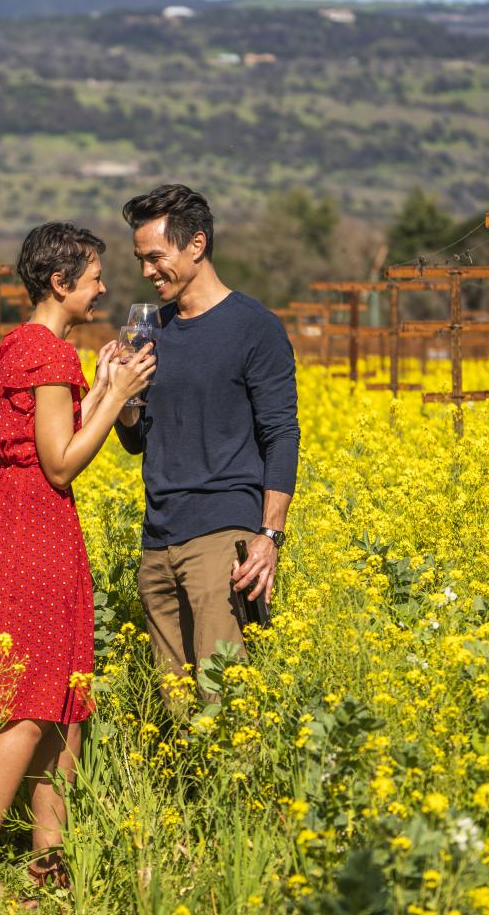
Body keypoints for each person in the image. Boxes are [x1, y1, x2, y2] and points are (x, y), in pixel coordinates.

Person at [0, 221, 154, 893]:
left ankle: (50, 871)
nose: (104, 286)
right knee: (29, 706)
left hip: (24, 522)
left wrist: (102, 389)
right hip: (34, 531)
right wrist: (122, 400)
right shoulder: (46, 354)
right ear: (60, 281)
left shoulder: (22, 344)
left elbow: (52, 439)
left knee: (63, 705)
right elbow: (63, 461)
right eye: (95, 276)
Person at [114, 184, 299, 700]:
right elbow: (136, 440)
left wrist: (269, 536)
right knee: (174, 709)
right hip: (157, 540)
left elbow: (282, 433)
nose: (147, 272)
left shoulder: (254, 328)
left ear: (196, 245)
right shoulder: (153, 333)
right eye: (140, 260)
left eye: (156, 257)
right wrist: (119, 394)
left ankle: (243, 785)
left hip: (222, 538)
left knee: (226, 704)